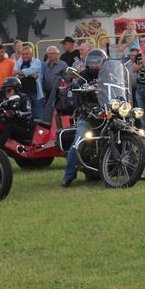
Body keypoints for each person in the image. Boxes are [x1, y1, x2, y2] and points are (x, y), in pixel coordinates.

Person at [62, 48, 107, 187]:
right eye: (92, 62)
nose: (94, 65)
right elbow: (74, 86)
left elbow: (120, 85)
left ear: (103, 63)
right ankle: (69, 175)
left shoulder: (109, 76)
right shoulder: (82, 77)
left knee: (128, 131)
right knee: (78, 143)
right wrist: (75, 87)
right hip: (88, 117)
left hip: (108, 115)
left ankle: (135, 169)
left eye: (97, 62)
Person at [0, 77, 33, 148]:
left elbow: (29, 113)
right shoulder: (5, 100)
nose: (6, 92)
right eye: (4, 90)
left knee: (10, 127)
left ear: (16, 89)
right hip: (11, 126)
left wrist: (15, 113)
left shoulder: (24, 98)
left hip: (24, 128)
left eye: (8, 90)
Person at [15, 45, 44, 118]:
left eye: (26, 54)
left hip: (36, 93)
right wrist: (30, 74)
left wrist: (22, 73)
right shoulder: (19, 62)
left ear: (31, 54)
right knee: (26, 115)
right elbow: (14, 72)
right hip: (23, 93)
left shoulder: (36, 61)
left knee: (39, 115)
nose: (24, 56)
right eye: (23, 54)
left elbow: (33, 69)